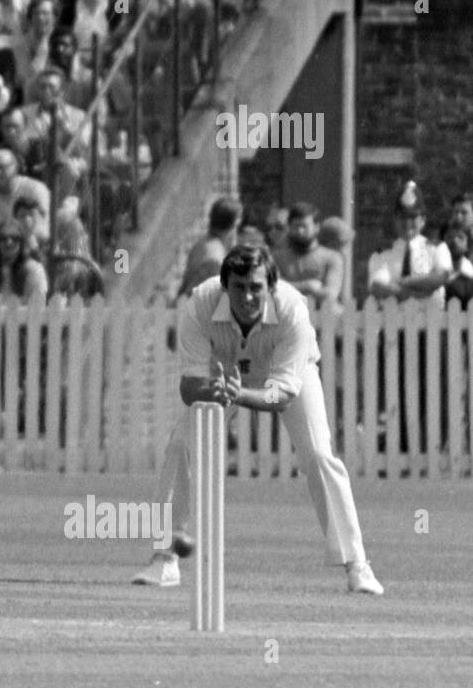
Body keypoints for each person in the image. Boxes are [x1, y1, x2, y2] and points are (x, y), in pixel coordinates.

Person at [132, 245, 385, 595]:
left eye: (256, 287)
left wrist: (240, 395)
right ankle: (164, 559)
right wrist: (218, 389)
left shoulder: (292, 308)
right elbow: (189, 388)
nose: (248, 296)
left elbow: (282, 395)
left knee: (319, 455)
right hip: (221, 373)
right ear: (224, 287)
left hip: (286, 374)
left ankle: (357, 565)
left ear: (271, 286)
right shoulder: (200, 304)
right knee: (181, 445)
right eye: (239, 287)